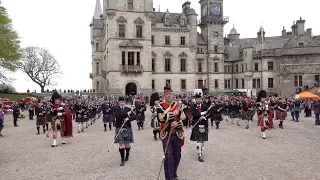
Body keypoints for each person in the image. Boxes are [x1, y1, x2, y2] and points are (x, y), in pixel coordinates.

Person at [157, 84, 184, 180]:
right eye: (166, 94)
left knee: (177, 157)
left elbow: (186, 118)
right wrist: (174, 113)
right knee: (168, 158)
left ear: (173, 95)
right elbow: (161, 119)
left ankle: (174, 173)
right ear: (164, 95)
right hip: (166, 135)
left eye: (170, 93)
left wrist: (177, 123)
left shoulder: (179, 105)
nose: (168, 95)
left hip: (177, 134)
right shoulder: (160, 106)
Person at [114, 96, 136, 166]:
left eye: (123, 102)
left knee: (127, 144)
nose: (122, 103)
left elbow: (135, 117)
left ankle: (127, 154)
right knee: (121, 144)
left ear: (125, 102)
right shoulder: (116, 109)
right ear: (118, 102)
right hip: (119, 127)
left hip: (127, 127)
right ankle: (122, 159)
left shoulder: (128, 109)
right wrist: (126, 115)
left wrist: (128, 119)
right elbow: (118, 115)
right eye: (120, 102)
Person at [190, 93, 208, 162]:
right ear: (195, 100)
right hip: (196, 124)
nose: (198, 100)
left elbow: (210, 113)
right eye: (197, 99)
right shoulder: (193, 106)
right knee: (199, 140)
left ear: (201, 99)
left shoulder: (205, 106)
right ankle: (199, 154)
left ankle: (200, 147)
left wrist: (205, 117)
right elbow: (193, 113)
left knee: (202, 141)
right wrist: (201, 114)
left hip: (204, 124)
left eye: (199, 99)